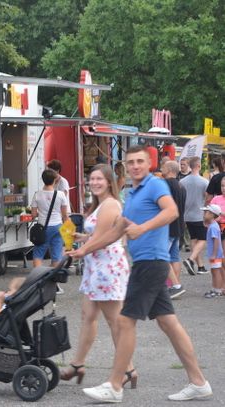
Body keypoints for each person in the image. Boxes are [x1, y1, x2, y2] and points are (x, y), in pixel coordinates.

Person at [72, 145, 211, 403]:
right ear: (126, 167)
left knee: (124, 322)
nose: (135, 166)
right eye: (131, 162)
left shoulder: (155, 186)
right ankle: (198, 382)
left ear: (149, 165)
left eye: (140, 161)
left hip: (151, 262)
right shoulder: (132, 193)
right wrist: (85, 250)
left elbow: (171, 212)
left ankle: (114, 385)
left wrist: (143, 228)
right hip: (148, 263)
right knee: (168, 323)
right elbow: (117, 230)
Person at [62, 164, 134, 387]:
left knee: (115, 321)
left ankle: (127, 370)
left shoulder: (111, 204)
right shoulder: (99, 205)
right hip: (97, 266)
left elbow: (103, 237)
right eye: (91, 179)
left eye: (99, 179)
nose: (94, 183)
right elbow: (97, 235)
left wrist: (81, 250)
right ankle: (77, 364)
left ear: (109, 181)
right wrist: (81, 237)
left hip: (107, 268)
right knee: (88, 316)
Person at [31, 169, 68, 268]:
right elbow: (65, 215)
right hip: (58, 227)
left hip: (43, 228)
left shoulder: (37, 194)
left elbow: (33, 214)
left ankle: (38, 278)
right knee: (56, 255)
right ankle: (53, 279)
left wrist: (42, 212)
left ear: (43, 180)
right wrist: (68, 230)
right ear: (55, 180)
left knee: (38, 254)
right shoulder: (61, 194)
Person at [161, 160, 187, 299]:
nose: (161, 167)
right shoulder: (181, 186)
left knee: (162, 256)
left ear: (170, 169)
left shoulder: (165, 184)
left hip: (168, 226)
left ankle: (174, 286)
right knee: (174, 257)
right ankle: (175, 286)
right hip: (179, 226)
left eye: (163, 166)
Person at [180, 157, 209, 275]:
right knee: (203, 239)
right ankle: (190, 259)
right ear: (198, 166)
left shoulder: (182, 182)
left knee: (194, 239)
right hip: (199, 214)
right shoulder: (204, 182)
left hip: (187, 215)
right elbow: (207, 197)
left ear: (190, 166)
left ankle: (200, 267)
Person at [200, 204, 224, 298]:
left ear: (212, 214)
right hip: (214, 254)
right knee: (213, 271)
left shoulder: (213, 227)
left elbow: (216, 241)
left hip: (216, 255)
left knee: (216, 272)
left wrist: (214, 254)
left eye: (206, 212)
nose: (204, 214)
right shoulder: (212, 225)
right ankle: (214, 288)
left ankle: (217, 290)